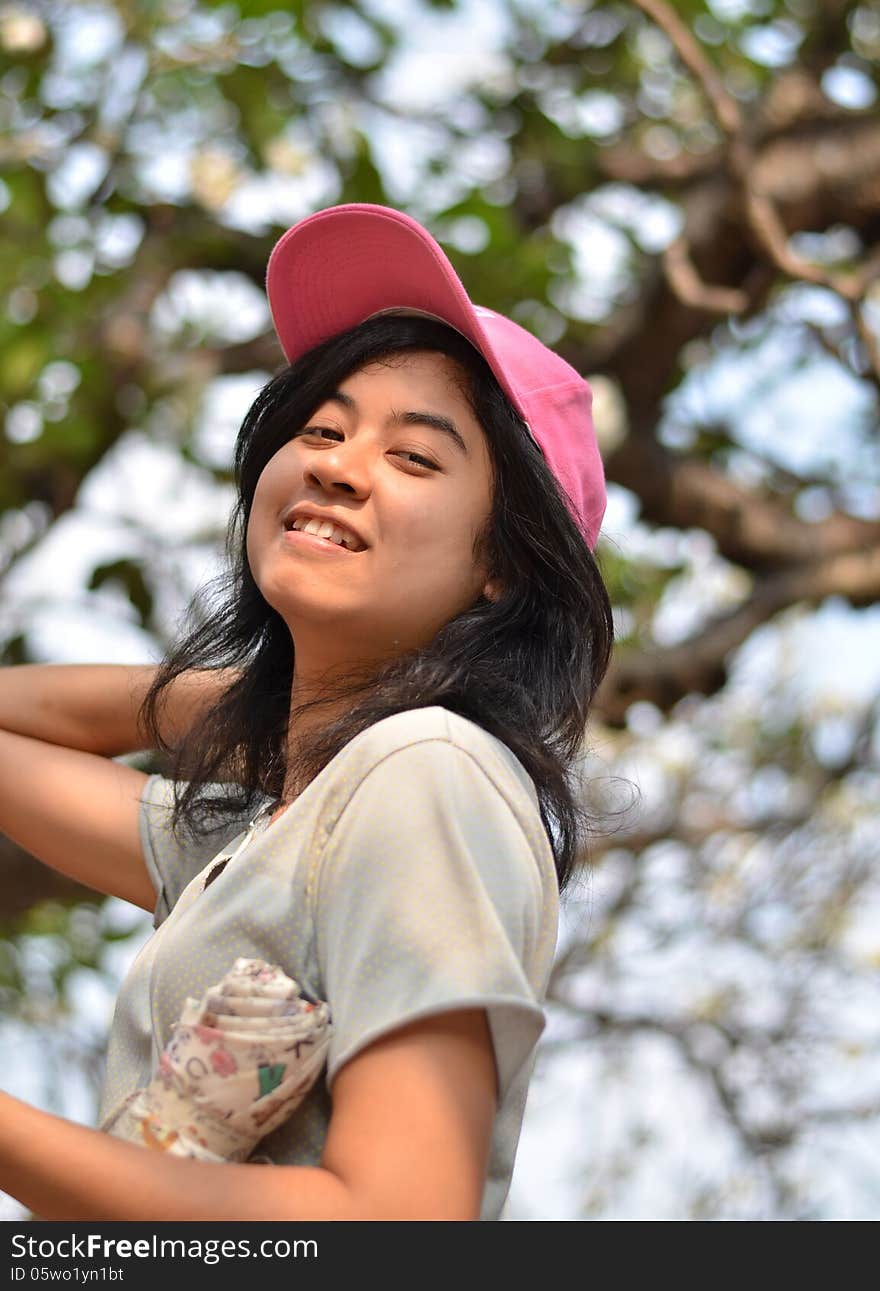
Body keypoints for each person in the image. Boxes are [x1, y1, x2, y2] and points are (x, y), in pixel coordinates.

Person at [0, 203, 613, 1221]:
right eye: (321, 428)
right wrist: (258, 710)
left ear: (504, 561)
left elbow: (401, 1222)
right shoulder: (260, 840)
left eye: (414, 457)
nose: (334, 462)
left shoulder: (428, 768)